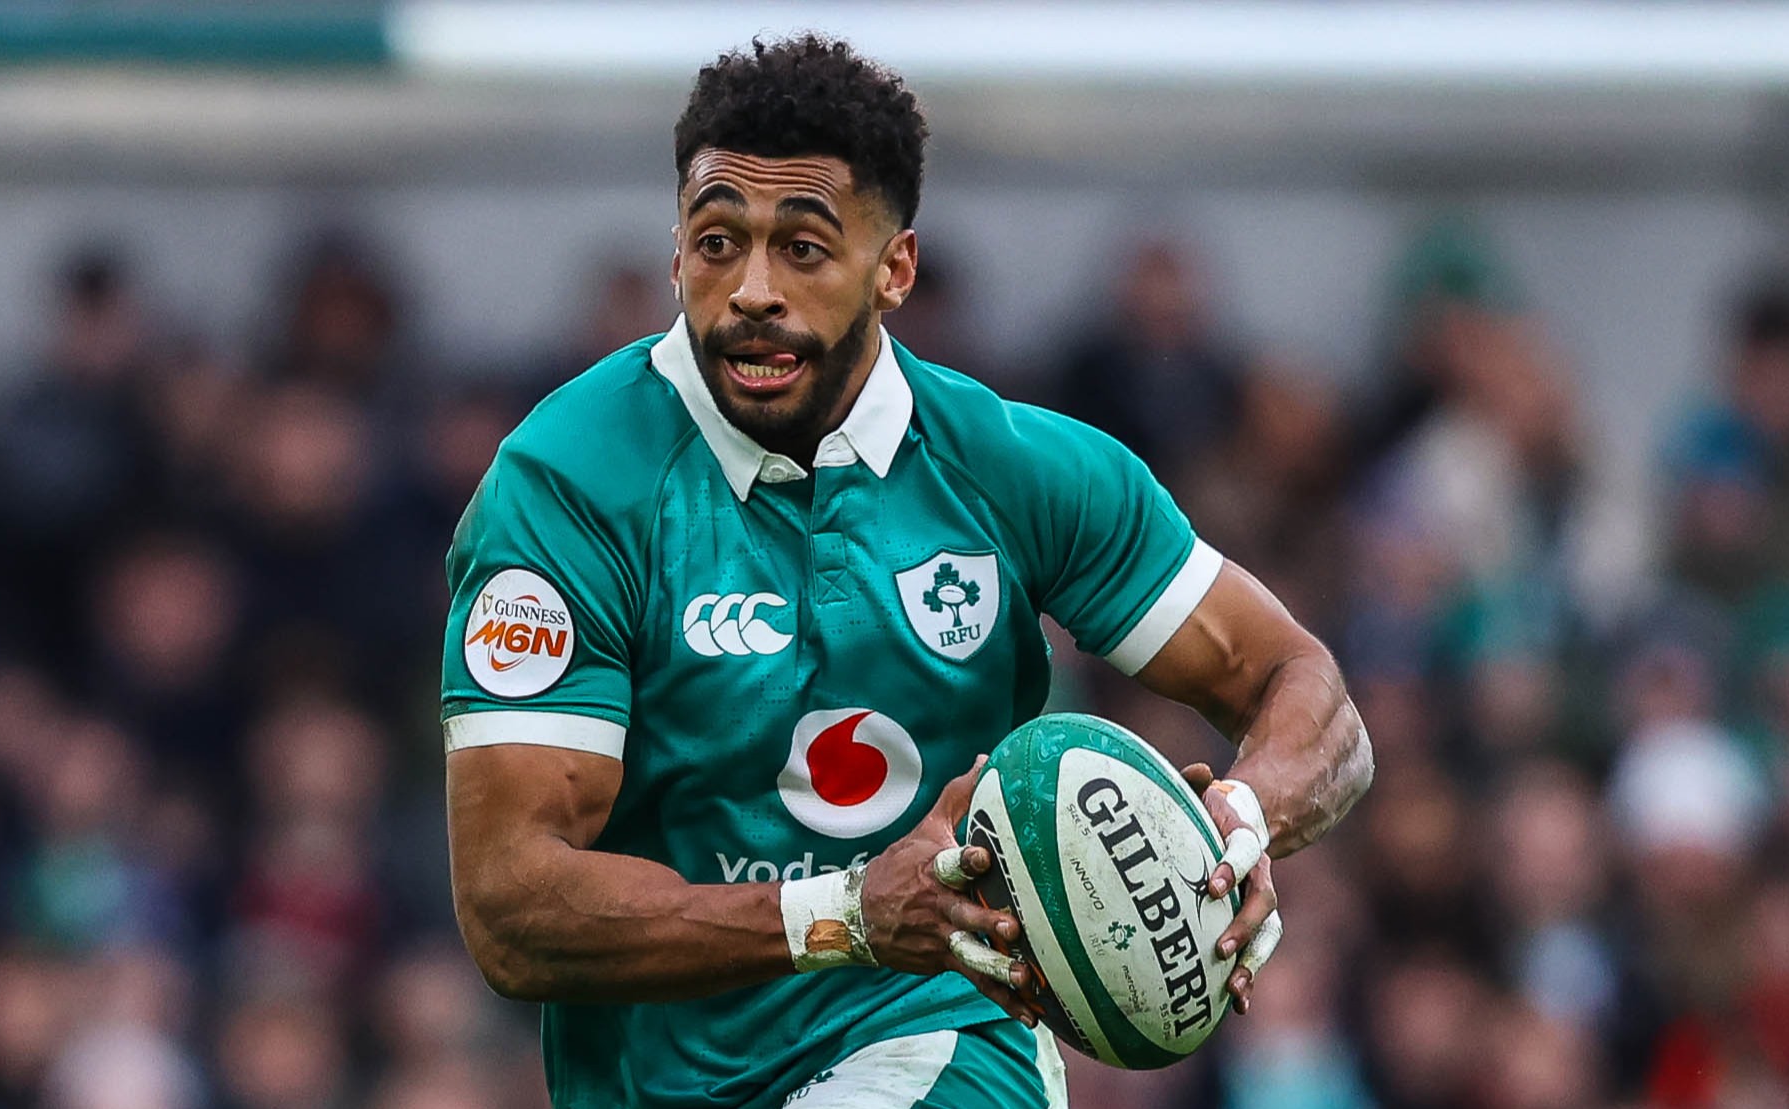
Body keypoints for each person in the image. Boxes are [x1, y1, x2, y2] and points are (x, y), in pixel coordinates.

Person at [440, 35, 1372, 1109]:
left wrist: (1241, 821)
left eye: (802, 247)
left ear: (895, 268)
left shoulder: (1015, 468)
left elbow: (1306, 692)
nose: (750, 290)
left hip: (939, 1037)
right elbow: (511, 907)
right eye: (716, 242)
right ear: (676, 253)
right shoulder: (565, 487)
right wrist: (841, 914)